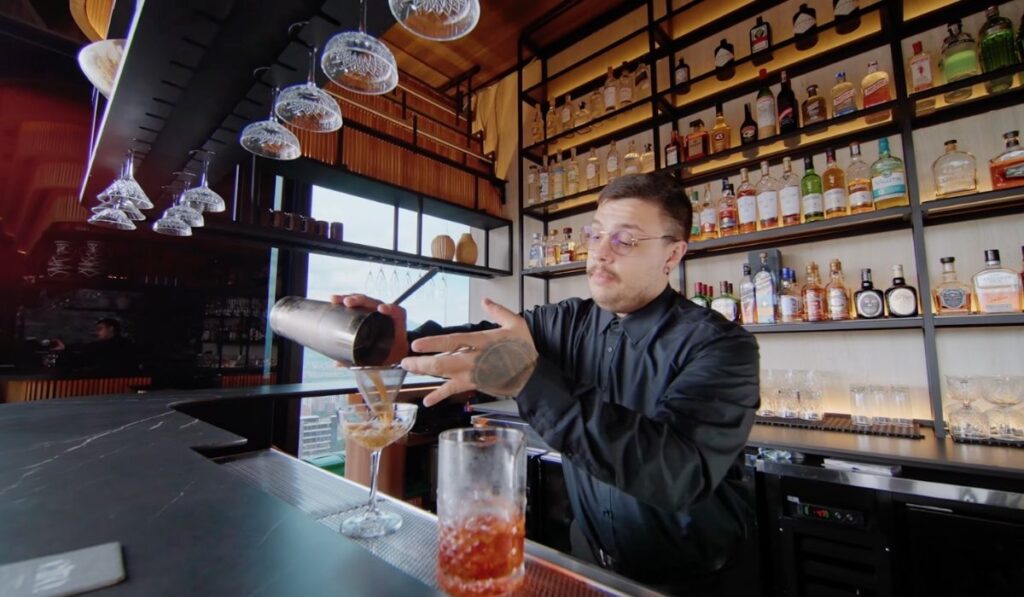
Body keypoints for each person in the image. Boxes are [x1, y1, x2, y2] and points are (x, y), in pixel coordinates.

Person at [335, 173, 760, 595]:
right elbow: (479, 341)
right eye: (596, 236)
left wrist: (526, 377)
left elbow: (677, 473)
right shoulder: (565, 322)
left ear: (674, 254)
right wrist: (395, 343)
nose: (600, 254)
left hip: (693, 582)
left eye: (625, 240)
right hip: (588, 567)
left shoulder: (721, 347)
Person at [50, 318, 138, 374]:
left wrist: (66, 347)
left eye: (100, 329)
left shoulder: (117, 344)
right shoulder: (119, 343)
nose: (97, 333)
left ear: (111, 329)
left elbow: (90, 348)